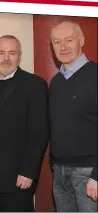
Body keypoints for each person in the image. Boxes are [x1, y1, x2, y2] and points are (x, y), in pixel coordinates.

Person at [0, 35, 49, 211]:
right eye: (1, 52)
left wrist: (28, 172)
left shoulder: (35, 85)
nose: (6, 58)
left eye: (12, 53)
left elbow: (39, 133)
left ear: (19, 56)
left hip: (18, 175)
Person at [49, 21, 97, 212]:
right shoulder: (56, 82)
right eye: (56, 41)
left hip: (88, 175)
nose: (63, 47)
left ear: (82, 40)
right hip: (60, 173)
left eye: (69, 40)